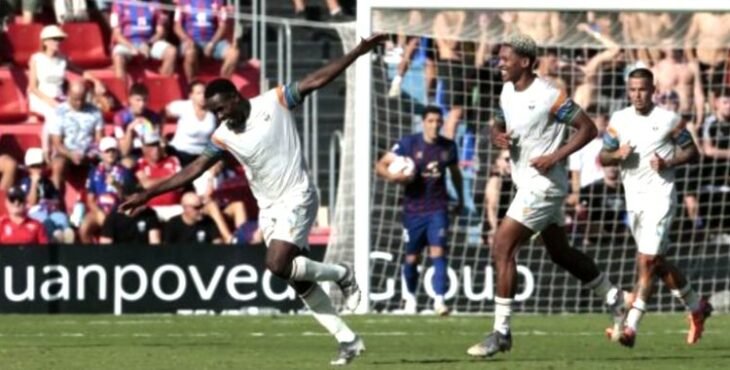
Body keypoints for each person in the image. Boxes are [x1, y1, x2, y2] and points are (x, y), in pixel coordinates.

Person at [121, 34, 386, 365]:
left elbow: (316, 79)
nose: (219, 116)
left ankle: (341, 274)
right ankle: (348, 340)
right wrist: (147, 193)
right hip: (269, 206)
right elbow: (194, 170)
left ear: (234, 97)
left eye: (220, 108)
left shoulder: (274, 101)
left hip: (297, 195)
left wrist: (358, 52)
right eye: (214, 112)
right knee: (296, 279)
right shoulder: (224, 136)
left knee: (277, 264)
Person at [466, 33, 625, 358]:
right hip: (526, 182)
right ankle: (613, 297)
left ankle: (502, 332)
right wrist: (495, 133)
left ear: (524, 62)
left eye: (505, 58)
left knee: (502, 245)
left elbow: (588, 128)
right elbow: (497, 120)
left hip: (545, 185)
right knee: (560, 253)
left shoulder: (549, 96)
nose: (499, 63)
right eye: (499, 58)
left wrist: (556, 156)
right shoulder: (507, 89)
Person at [600, 68, 712, 347]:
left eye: (643, 89)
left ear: (653, 90)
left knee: (646, 261)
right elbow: (603, 157)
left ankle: (631, 327)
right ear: (628, 90)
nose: (638, 94)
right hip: (633, 200)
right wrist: (617, 154)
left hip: (661, 197)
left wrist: (668, 162)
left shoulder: (668, 119)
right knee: (657, 263)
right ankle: (697, 307)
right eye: (633, 89)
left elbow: (692, 151)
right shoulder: (619, 119)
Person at [374, 106, 463, 316]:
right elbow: (380, 165)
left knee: (438, 252)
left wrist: (459, 197)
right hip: (413, 210)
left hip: (437, 208)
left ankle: (440, 302)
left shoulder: (448, 147)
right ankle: (411, 300)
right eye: (430, 121)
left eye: (438, 121)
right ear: (423, 122)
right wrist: (393, 177)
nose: (434, 125)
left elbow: (455, 173)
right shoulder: (408, 143)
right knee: (412, 258)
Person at [29, 25, 105, 159]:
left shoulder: (62, 59)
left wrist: (96, 80)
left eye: (58, 39)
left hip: (59, 97)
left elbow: (80, 72)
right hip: (41, 97)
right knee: (53, 113)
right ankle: (47, 150)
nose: (57, 42)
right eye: (53, 39)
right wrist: (50, 101)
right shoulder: (36, 59)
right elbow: (32, 87)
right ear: (45, 42)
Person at [47, 80, 104, 192]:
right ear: (69, 95)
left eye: (82, 99)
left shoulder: (95, 112)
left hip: (88, 153)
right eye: (75, 99)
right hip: (66, 153)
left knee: (108, 162)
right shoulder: (59, 112)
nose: (79, 103)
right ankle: (57, 202)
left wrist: (90, 153)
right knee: (58, 165)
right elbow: (57, 144)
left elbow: (99, 139)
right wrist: (71, 154)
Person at [79, 136, 133, 243]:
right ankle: (90, 256)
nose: (111, 154)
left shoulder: (125, 172)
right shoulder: (93, 172)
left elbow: (127, 198)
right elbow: (90, 199)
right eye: (107, 151)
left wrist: (116, 185)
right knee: (84, 228)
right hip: (99, 210)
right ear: (102, 154)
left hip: (117, 211)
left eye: (113, 150)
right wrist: (99, 213)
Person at [109, 0, 177, 81]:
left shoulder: (155, 3)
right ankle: (122, 92)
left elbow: (160, 32)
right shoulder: (119, 3)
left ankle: (163, 86)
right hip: (126, 43)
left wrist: (148, 44)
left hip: (148, 42)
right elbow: (116, 34)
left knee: (171, 52)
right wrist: (131, 47)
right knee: (118, 57)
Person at [174, 0, 240, 81]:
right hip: (191, 42)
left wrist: (212, 43)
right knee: (190, 52)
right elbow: (177, 27)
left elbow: (222, 26)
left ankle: (223, 84)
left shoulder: (218, 2)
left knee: (233, 54)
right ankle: (192, 85)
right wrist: (187, 40)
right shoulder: (182, 2)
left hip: (213, 41)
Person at [19, 147, 74, 244]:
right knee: (46, 220)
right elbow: (31, 202)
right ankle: (54, 240)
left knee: (62, 217)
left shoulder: (48, 182)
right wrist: (34, 183)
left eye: (40, 166)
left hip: (49, 211)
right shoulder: (25, 182)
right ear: (28, 168)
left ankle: (66, 240)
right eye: (34, 166)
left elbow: (56, 200)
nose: (38, 170)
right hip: (33, 213)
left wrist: (50, 203)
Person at [135, 130, 183, 221]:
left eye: (157, 144)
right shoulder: (140, 163)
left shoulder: (173, 160)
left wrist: (155, 181)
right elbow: (147, 184)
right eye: (151, 145)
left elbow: (181, 185)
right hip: (151, 208)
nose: (156, 148)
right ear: (144, 148)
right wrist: (170, 177)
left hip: (174, 207)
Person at [166, 80, 217, 166]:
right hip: (180, 151)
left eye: (204, 93)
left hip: (202, 154)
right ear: (191, 96)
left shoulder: (212, 112)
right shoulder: (183, 107)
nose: (203, 96)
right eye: (199, 93)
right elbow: (164, 112)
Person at [114, 83, 163, 167]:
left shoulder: (153, 117)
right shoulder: (120, 118)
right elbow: (124, 151)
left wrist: (149, 127)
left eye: (145, 100)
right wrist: (130, 130)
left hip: (150, 153)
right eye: (138, 100)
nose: (142, 104)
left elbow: (157, 145)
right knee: (127, 164)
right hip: (132, 153)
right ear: (130, 99)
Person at [576, 165, 627, 246]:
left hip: (620, 228)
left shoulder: (626, 187)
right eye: (609, 165)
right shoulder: (593, 188)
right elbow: (573, 202)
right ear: (602, 167)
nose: (612, 168)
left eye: (615, 164)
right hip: (596, 229)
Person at [567, 106, 608, 206]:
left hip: (607, 189)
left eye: (606, 119)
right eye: (603, 120)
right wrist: (577, 195)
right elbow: (575, 173)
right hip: (587, 190)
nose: (606, 123)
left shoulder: (612, 141)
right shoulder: (579, 143)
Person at [684, 12, 730, 98]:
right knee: (699, 95)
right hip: (701, 63)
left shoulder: (728, 17)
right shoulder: (700, 16)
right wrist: (692, 62)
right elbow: (688, 41)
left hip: (721, 64)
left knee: (718, 97)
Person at [482, 149, 513, 247]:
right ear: (497, 161)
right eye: (507, 159)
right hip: (495, 232)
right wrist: (495, 229)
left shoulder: (510, 179)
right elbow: (492, 207)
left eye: (513, 160)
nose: (510, 163)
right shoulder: (495, 180)